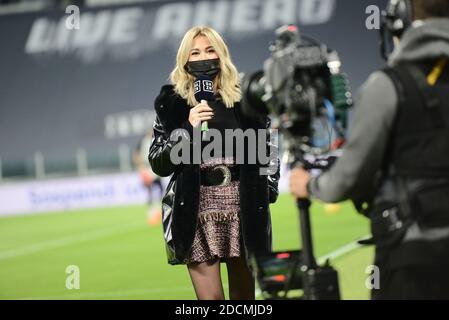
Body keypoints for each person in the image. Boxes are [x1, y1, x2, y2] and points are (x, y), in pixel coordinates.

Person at [289, 0, 449, 299]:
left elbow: (348, 179)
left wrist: (309, 185)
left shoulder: (388, 86)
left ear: (399, 20)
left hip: (414, 259)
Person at [148, 26, 280, 300]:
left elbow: (270, 145)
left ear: (222, 55)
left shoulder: (247, 97)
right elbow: (158, 163)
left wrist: (268, 189)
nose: (203, 57)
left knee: (244, 298)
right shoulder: (171, 103)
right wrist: (188, 125)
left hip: (242, 207)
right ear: (185, 59)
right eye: (195, 52)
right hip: (195, 208)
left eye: (210, 50)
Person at [133, 129, 164, 226]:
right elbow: (136, 155)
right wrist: (140, 168)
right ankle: (152, 210)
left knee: (159, 188)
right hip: (147, 168)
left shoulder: (155, 140)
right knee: (150, 190)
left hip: (154, 167)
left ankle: (158, 208)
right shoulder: (143, 141)